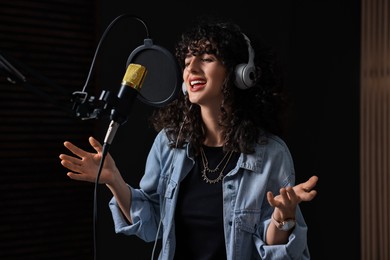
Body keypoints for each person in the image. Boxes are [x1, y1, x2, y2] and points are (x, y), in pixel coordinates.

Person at [59, 15, 318, 260]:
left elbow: (273, 252)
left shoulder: (270, 154)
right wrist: (113, 180)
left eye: (206, 58)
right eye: (187, 61)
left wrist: (283, 217)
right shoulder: (169, 143)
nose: (191, 68)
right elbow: (150, 226)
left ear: (241, 74)